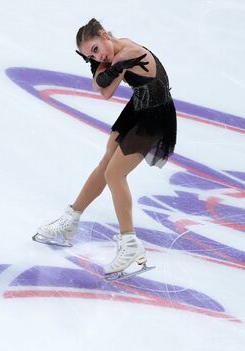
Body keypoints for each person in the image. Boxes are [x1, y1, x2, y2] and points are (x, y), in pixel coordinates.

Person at [32, 18, 177, 278]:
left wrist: (104, 67)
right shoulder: (114, 53)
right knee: (106, 163)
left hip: (155, 115)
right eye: (91, 55)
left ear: (103, 34)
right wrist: (101, 66)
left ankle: (130, 242)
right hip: (139, 108)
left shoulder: (129, 52)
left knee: (115, 174)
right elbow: (104, 91)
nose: (97, 56)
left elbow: (103, 84)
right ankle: (71, 219)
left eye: (96, 48)